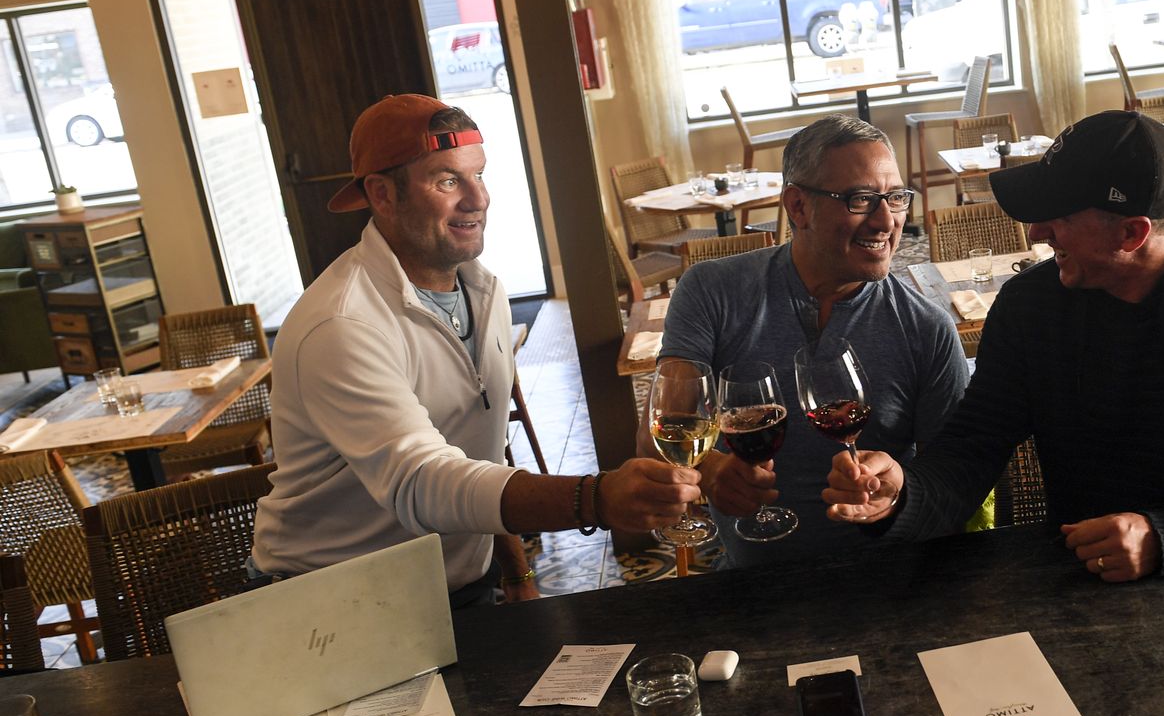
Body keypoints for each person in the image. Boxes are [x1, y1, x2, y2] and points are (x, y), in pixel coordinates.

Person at [824, 109, 1164, 581]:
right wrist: (902, 494)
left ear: (1131, 234)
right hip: (1081, 573)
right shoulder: (1031, 305)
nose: (1036, 232)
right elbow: (974, 445)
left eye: (1057, 217)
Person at [251, 94, 700, 606]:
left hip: (461, 587)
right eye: (447, 180)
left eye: (479, 174)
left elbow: (477, 453)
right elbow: (422, 481)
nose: (478, 198)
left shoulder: (484, 291)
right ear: (382, 194)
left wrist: (516, 572)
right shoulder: (342, 324)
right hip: (334, 603)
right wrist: (595, 498)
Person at [658, 114, 968, 567]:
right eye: (861, 200)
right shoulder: (712, 291)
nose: (886, 221)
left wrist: (898, 493)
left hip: (892, 581)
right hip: (752, 585)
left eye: (896, 198)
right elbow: (662, 431)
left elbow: (956, 484)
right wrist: (708, 470)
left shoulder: (927, 328)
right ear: (798, 206)